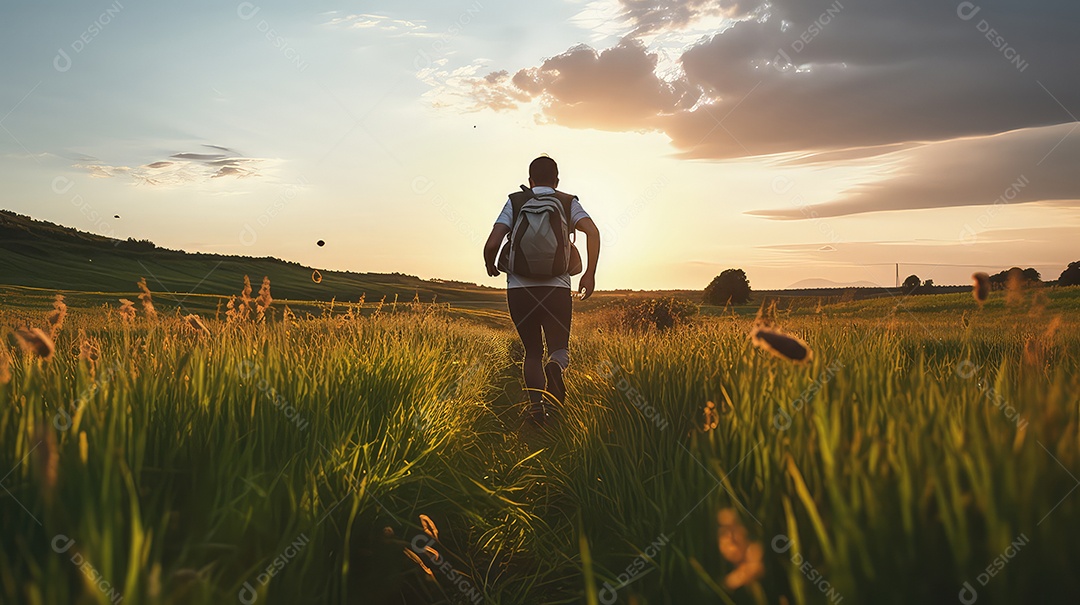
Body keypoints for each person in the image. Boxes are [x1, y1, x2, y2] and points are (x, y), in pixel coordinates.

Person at [483, 156, 600, 424]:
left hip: (520, 290)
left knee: (532, 351)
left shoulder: (515, 201)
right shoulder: (568, 201)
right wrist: (589, 273)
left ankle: (536, 410)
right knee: (558, 348)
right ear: (557, 181)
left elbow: (492, 243)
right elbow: (592, 232)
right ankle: (556, 366)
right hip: (556, 289)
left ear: (530, 181)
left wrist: (491, 264)